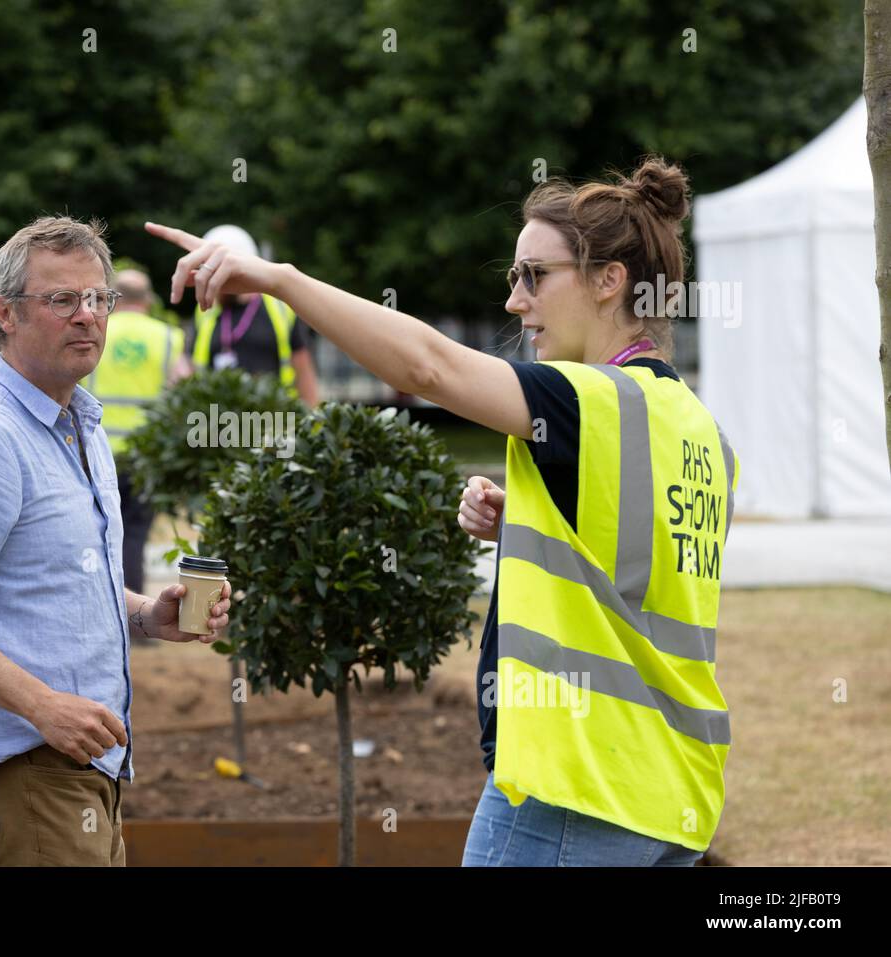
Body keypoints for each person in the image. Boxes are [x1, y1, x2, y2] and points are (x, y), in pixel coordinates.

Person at [148, 155, 738, 867]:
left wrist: (281, 280)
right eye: (512, 278)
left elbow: (426, 367)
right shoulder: (701, 430)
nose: (516, 302)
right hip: (673, 794)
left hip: (578, 786)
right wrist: (531, 510)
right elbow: (634, 564)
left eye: (534, 276)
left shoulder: (588, 402)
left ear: (609, 280)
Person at [0, 216, 231, 867]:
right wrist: (42, 705)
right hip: (25, 766)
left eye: (98, 298)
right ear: (4, 312)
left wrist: (145, 615)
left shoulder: (80, 423)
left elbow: (58, 577)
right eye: (61, 299)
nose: (87, 316)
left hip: (78, 764)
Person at [81, 268, 184, 605]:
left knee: (96, 533)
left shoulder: (94, 331)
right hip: (146, 455)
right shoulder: (168, 337)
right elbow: (183, 389)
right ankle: (135, 613)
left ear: (113, 298)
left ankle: (100, 606)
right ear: (149, 300)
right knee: (135, 534)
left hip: (98, 449)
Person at [185, 225, 320, 406]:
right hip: (219, 422)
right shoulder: (205, 311)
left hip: (273, 416)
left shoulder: (279, 309)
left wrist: (312, 420)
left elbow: (303, 368)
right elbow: (194, 367)